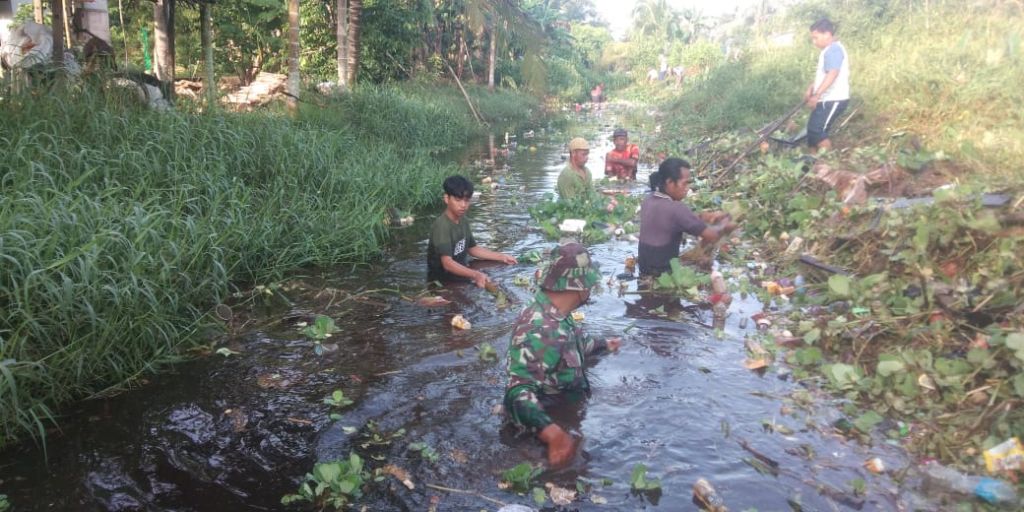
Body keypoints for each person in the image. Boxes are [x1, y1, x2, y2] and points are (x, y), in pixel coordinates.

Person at [504, 243, 621, 466]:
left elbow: (577, 345)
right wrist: (554, 435)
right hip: (545, 423)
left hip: (567, 409)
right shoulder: (538, 328)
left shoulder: (558, 314)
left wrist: (605, 345)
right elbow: (516, 393)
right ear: (579, 287)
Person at [637, 158, 737, 277]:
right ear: (670, 182)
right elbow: (712, 236)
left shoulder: (649, 200)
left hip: (644, 269)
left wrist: (706, 216)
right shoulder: (676, 208)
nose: (687, 188)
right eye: (685, 183)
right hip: (664, 273)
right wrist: (726, 224)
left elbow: (680, 220)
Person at [427, 175, 517, 287]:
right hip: (442, 278)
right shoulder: (442, 226)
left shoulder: (463, 220)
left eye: (467, 200)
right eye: (458, 200)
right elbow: (447, 264)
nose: (463, 205)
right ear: (447, 199)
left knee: (500, 268)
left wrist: (501, 257)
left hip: (460, 269)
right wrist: (475, 275)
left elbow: (472, 249)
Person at [804, 18, 850, 153]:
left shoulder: (834, 49)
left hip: (834, 99)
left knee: (818, 132)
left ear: (827, 34)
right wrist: (812, 87)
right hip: (825, 99)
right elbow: (825, 74)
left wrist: (817, 95)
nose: (814, 42)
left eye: (815, 38)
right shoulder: (828, 50)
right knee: (812, 130)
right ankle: (812, 165)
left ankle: (830, 165)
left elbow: (833, 73)